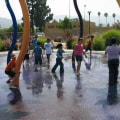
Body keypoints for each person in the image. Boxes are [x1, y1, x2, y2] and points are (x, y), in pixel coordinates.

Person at [105, 37, 120, 104]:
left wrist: (107, 56)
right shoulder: (118, 47)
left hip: (110, 60)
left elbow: (106, 53)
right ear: (115, 42)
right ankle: (116, 79)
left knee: (111, 71)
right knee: (116, 71)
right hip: (116, 60)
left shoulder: (108, 47)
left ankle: (110, 81)